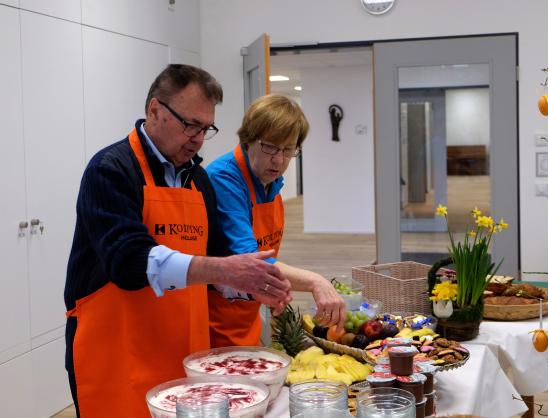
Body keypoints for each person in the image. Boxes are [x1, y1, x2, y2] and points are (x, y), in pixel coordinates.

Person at [63, 65, 291, 418]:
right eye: (190, 125)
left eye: (206, 128)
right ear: (154, 110)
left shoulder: (198, 180)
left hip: (185, 357)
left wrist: (247, 288)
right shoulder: (110, 170)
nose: (198, 139)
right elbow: (128, 261)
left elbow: (214, 267)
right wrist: (227, 269)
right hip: (118, 356)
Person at [205, 94, 345, 347]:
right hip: (212, 324)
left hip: (246, 315)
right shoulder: (224, 179)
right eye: (270, 147)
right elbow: (253, 261)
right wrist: (315, 281)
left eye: (288, 150)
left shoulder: (270, 184)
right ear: (248, 140)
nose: (279, 160)